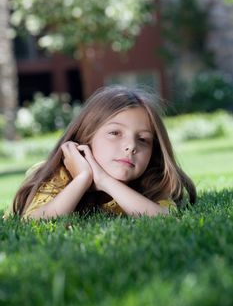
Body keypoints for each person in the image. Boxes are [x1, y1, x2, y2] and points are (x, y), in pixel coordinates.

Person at [12, 86, 196, 220]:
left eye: (143, 139)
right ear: (86, 137)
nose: (131, 146)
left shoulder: (152, 181)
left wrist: (104, 181)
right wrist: (83, 178)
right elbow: (33, 222)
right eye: (115, 133)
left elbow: (166, 220)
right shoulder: (58, 174)